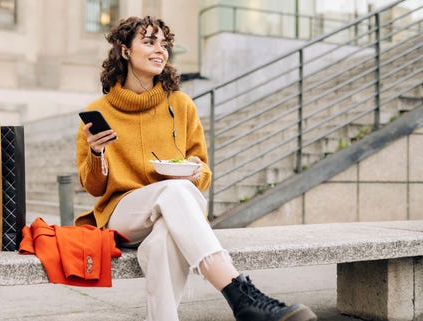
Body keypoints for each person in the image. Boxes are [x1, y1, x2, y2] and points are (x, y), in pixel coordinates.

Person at [75, 16, 317, 321]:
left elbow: (202, 174)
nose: (159, 50)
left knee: (164, 238)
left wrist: (193, 170)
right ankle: (240, 294)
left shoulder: (182, 104)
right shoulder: (99, 112)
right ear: (125, 51)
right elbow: (93, 186)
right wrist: (97, 151)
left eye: (163, 44)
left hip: (174, 208)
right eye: (148, 42)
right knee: (175, 192)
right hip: (123, 216)